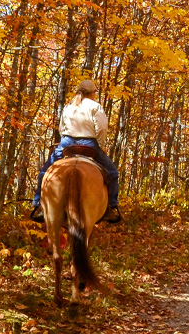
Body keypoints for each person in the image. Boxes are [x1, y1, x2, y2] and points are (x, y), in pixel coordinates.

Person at [30, 78, 121, 224]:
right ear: (92, 93)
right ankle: (111, 206)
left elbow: (62, 127)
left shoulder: (69, 105)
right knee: (112, 173)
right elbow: (102, 127)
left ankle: (38, 204)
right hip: (89, 143)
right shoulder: (95, 106)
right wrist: (101, 144)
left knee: (45, 171)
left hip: (67, 142)